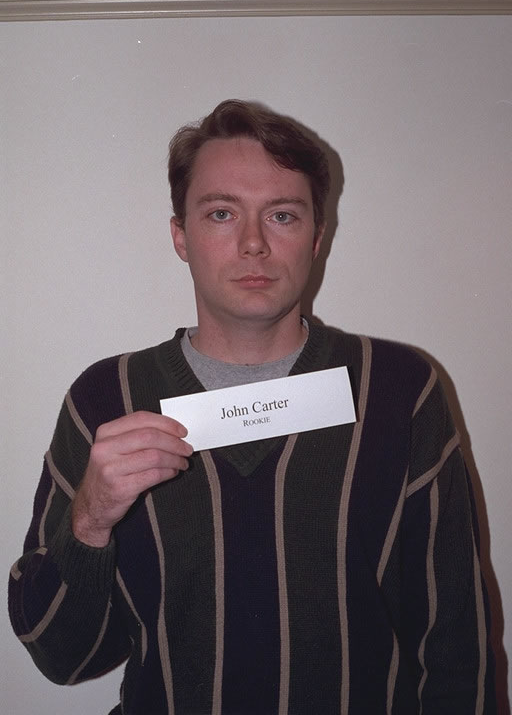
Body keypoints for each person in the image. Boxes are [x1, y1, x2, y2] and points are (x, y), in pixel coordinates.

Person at [8, 100, 496, 714]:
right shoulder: (105, 401)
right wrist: (91, 520)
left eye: (282, 215)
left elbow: (456, 646)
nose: (253, 244)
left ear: (317, 237)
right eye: (221, 214)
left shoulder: (401, 392)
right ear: (180, 236)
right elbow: (63, 657)